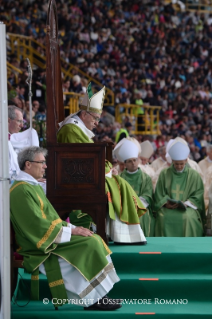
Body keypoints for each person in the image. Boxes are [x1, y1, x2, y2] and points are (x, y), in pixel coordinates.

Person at [10, 146, 121, 311]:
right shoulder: (20, 191)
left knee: (93, 239)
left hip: (49, 236)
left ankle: (100, 294)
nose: (45, 166)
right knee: (88, 245)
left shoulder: (31, 186)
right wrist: (72, 231)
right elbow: (36, 226)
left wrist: (73, 227)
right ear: (28, 164)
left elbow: (52, 218)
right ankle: (91, 299)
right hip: (38, 244)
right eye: (41, 162)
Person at [57, 83, 147, 244]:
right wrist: (107, 170)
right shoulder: (72, 130)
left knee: (119, 183)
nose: (97, 123)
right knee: (118, 185)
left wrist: (107, 168)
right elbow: (85, 160)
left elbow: (88, 156)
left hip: (81, 174)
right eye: (95, 118)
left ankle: (123, 234)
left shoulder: (76, 128)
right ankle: (122, 235)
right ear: (84, 114)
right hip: (76, 178)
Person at [154, 137, 205, 237]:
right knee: (163, 217)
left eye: (181, 163)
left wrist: (187, 203)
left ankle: (187, 248)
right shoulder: (164, 173)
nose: (179, 166)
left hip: (188, 208)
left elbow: (198, 194)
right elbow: (159, 193)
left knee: (188, 218)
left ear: (186, 160)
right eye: (176, 163)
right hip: (168, 208)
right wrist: (166, 203)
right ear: (172, 160)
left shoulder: (194, 175)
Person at [118, 139, 155, 237]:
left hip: (141, 208)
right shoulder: (120, 178)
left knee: (142, 216)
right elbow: (118, 195)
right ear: (125, 163)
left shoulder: (145, 177)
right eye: (130, 161)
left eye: (135, 160)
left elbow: (147, 195)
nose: (133, 163)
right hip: (125, 208)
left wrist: (136, 206)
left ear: (138, 160)